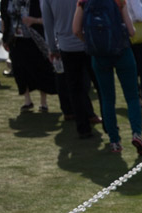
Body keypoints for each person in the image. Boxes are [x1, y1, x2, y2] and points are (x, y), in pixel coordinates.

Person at [72, 0, 142, 154]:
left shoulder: (83, 2)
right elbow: (131, 31)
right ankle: (136, 133)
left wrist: (89, 43)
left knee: (107, 99)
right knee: (132, 97)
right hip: (122, 51)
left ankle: (114, 141)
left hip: (99, 56)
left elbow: (75, 30)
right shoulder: (119, 1)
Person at [41, 0, 101, 137]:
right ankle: (109, 127)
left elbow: (48, 23)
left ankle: (83, 128)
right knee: (100, 86)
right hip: (89, 42)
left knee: (75, 89)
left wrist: (52, 47)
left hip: (67, 46)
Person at [2, 0, 57, 112]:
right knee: (19, 70)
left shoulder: (37, 2)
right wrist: (5, 39)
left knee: (42, 68)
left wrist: (33, 20)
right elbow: (4, 19)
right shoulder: (6, 1)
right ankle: (27, 101)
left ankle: (43, 102)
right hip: (15, 39)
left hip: (36, 39)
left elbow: (49, 19)